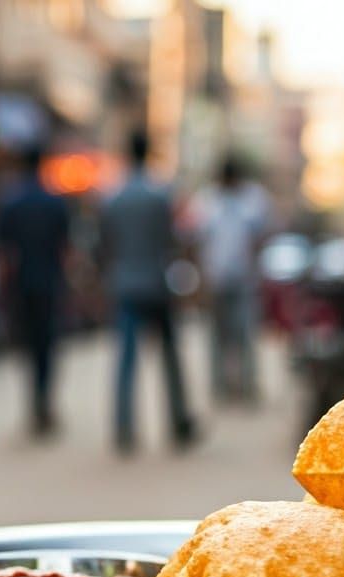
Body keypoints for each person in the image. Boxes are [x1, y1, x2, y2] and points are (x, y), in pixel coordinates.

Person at [100, 131, 197, 454]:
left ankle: (124, 428)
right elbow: (172, 242)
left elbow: (104, 245)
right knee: (170, 358)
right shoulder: (160, 195)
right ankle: (179, 421)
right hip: (156, 284)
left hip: (125, 284)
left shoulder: (113, 196)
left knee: (126, 361)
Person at [0, 144, 71, 437]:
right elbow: (66, 250)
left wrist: (3, 290)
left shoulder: (11, 203)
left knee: (28, 347)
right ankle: (44, 402)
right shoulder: (54, 203)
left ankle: (34, 404)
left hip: (22, 286)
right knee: (47, 346)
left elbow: (3, 254)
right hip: (50, 285)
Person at [189, 155, 271, 404]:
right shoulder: (206, 201)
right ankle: (221, 388)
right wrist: (200, 278)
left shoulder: (254, 199)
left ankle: (246, 386)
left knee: (245, 334)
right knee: (217, 337)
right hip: (216, 279)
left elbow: (263, 236)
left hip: (244, 279)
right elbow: (193, 240)